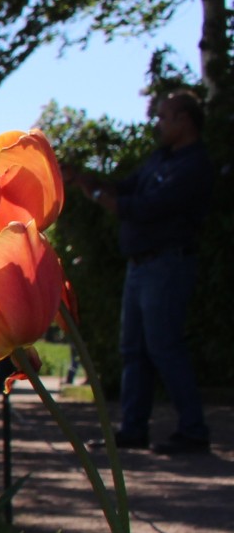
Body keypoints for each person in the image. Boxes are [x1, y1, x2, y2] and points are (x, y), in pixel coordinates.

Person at [78, 89, 214, 454]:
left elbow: (143, 207)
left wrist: (98, 197)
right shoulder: (160, 159)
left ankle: (193, 430)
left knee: (165, 347)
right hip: (141, 266)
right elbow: (126, 187)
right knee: (133, 349)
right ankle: (133, 429)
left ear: (185, 121)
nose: (158, 123)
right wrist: (88, 181)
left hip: (168, 263)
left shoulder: (193, 165)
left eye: (165, 116)